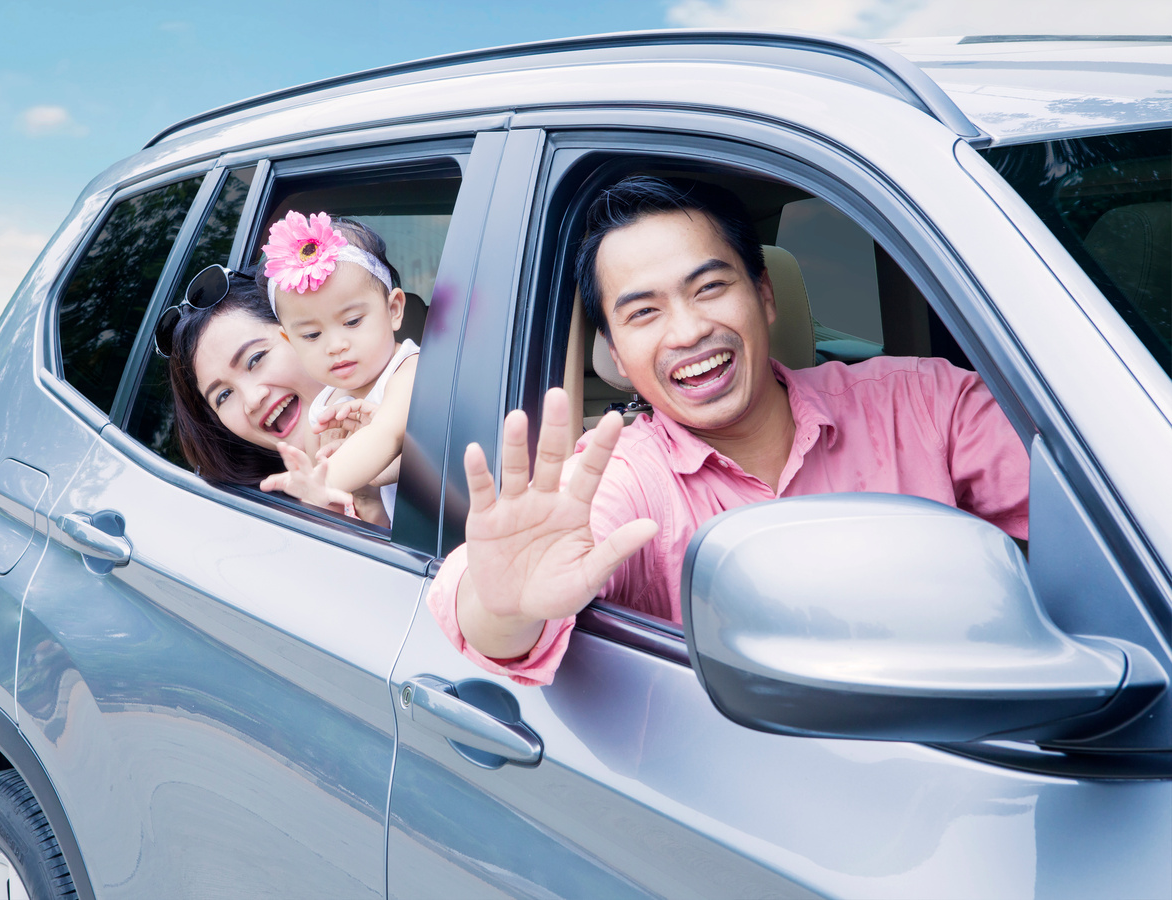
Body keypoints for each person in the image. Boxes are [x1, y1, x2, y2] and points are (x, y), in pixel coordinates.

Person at [427, 175, 1030, 686]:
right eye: (644, 312)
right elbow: (499, 603)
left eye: (710, 287)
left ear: (765, 294)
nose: (688, 330)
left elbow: (1102, 519)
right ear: (615, 351)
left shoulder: (925, 402)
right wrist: (503, 607)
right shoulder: (623, 478)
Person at [160, 264, 389, 524]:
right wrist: (365, 497)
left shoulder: (411, 398)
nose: (251, 400)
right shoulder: (261, 520)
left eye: (255, 359)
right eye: (223, 396)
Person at [258, 212, 420, 523]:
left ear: (394, 309)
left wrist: (320, 484)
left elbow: (385, 435)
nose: (335, 345)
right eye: (312, 335)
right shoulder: (321, 410)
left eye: (352, 321)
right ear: (289, 340)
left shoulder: (409, 371)